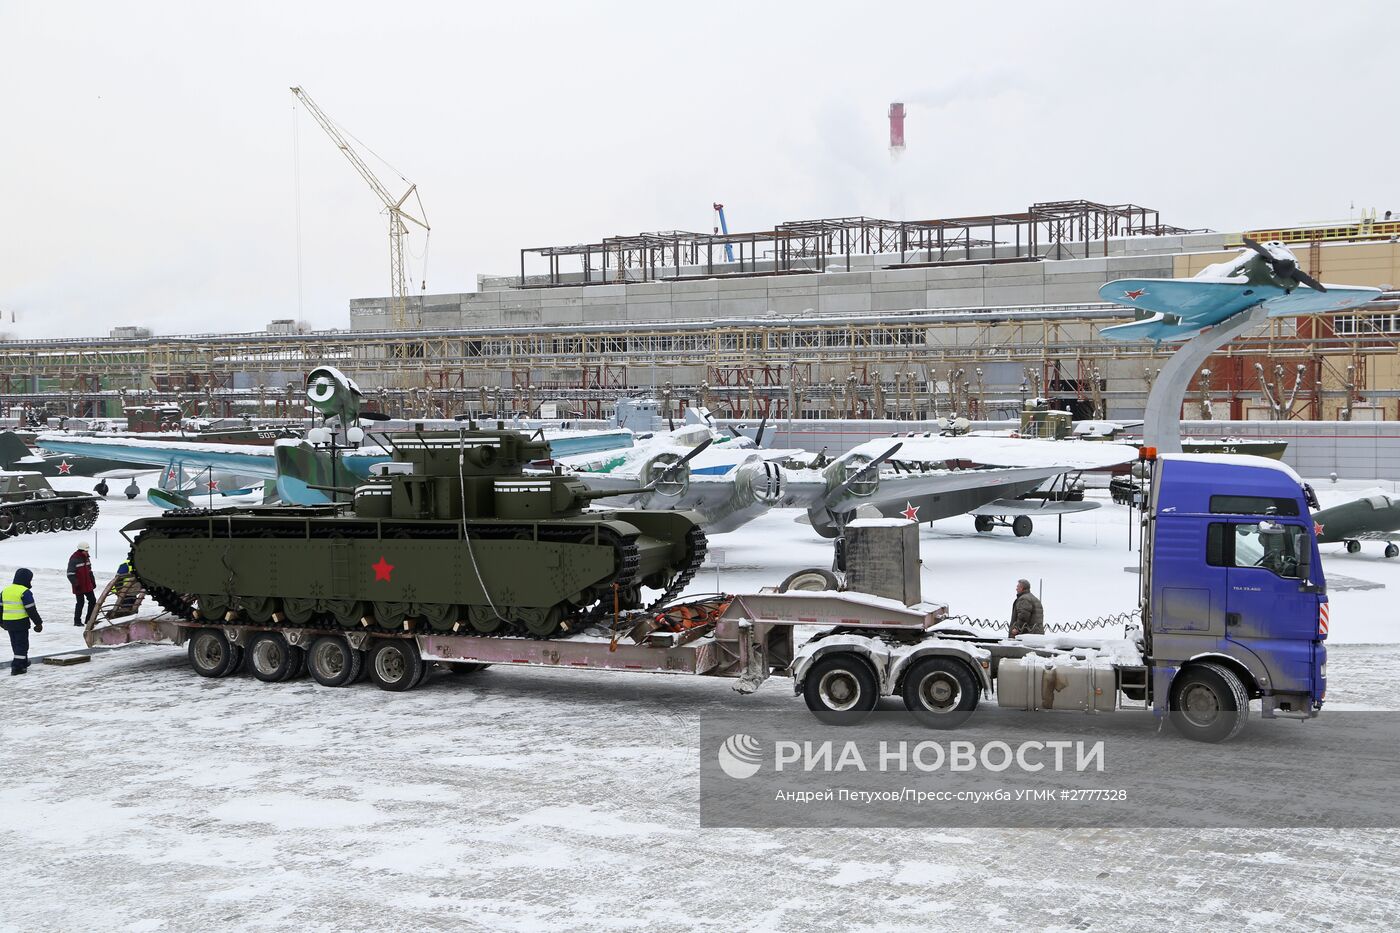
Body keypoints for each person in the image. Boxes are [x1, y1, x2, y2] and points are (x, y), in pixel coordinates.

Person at [2, 567, 44, 675]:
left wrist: (1, 622)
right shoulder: (25, 592)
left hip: (8, 623)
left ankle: (23, 662)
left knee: (16, 644)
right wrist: (38, 623)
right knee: (22, 645)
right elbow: (31, 610)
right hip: (20, 622)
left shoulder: (5, 591)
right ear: (26, 579)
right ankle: (17, 667)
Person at [68, 541, 97, 627]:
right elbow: (70, 574)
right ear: (81, 550)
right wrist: (76, 584)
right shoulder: (74, 559)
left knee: (93, 601)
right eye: (86, 551)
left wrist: (92, 581)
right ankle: (77, 621)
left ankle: (89, 620)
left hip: (87, 584)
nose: (87, 552)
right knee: (80, 603)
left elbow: (89, 571)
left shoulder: (86, 558)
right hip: (79, 586)